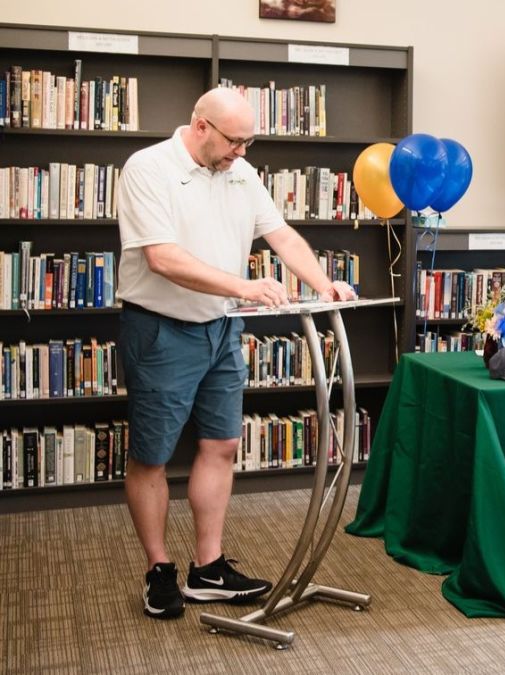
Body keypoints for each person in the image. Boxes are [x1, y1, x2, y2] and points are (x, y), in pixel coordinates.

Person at [116, 87, 357, 620]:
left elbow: (282, 235)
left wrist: (324, 284)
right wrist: (243, 286)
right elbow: (162, 258)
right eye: (234, 141)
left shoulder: (241, 172)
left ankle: (209, 569)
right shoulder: (148, 168)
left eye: (248, 142)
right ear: (201, 126)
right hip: (160, 329)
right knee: (151, 456)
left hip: (221, 330)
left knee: (222, 444)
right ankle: (159, 570)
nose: (242, 152)